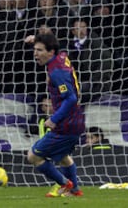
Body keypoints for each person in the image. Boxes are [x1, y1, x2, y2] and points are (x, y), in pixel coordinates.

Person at [27, 33, 85, 197]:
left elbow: (71, 97)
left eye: (39, 50)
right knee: (63, 157)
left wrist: (54, 119)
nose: (35, 54)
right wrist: (37, 39)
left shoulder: (56, 72)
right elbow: (53, 42)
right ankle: (74, 191)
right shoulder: (60, 57)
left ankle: (65, 184)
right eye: (35, 49)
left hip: (66, 122)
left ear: (51, 52)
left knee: (33, 156)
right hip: (76, 120)